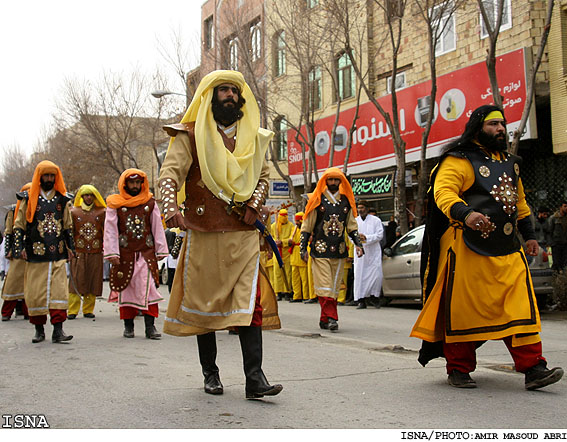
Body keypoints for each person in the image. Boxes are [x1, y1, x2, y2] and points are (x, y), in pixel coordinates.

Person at [411, 105, 563, 390]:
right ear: (478, 127)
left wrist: (529, 235)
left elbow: (519, 203)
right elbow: (443, 193)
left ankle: (534, 368)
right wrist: (465, 213)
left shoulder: (511, 163)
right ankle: (458, 368)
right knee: (465, 309)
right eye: (494, 124)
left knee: (520, 307)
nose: (500, 129)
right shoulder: (457, 160)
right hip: (466, 248)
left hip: (508, 248)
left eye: (502, 124)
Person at [157, 70, 283, 400]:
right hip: (203, 231)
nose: (229, 95)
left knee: (248, 304)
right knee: (205, 305)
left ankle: (255, 378)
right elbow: (169, 175)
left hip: (242, 235)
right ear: (210, 96)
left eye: (234, 90)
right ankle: (210, 374)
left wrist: (254, 205)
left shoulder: (254, 137)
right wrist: (172, 208)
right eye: (222, 90)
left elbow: (264, 177)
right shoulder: (189, 135)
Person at [12, 161, 75, 344]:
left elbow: (67, 226)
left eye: (51, 176)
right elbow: (19, 225)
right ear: (39, 177)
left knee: (59, 292)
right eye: (46, 176)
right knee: (36, 293)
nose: (49, 179)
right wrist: (19, 248)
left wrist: (71, 248)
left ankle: (58, 330)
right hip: (36, 254)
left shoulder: (62, 199)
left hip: (57, 253)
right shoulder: (28, 198)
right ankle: (39, 330)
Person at [103, 169, 168, 339]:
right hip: (125, 254)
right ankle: (128, 326)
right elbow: (110, 230)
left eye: (138, 183)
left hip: (146, 254)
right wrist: (112, 253)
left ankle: (150, 327)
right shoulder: (115, 204)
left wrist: (161, 249)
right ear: (125, 184)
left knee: (150, 289)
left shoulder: (150, 203)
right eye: (131, 183)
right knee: (127, 289)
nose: (134, 186)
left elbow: (157, 227)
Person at [300, 167, 364, 332]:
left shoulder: (346, 202)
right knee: (325, 284)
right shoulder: (317, 200)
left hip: (339, 250)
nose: (334, 183)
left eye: (337, 180)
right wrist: (303, 248)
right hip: (320, 250)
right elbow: (307, 225)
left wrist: (358, 244)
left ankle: (324, 319)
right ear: (325, 181)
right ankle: (332, 318)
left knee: (333, 287)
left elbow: (351, 227)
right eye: (331, 180)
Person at [68, 185, 106, 320]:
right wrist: (69, 249)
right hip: (79, 252)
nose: (88, 197)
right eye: (86, 195)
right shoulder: (73, 212)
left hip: (95, 252)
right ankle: (72, 310)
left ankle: (88, 309)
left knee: (92, 280)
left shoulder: (102, 212)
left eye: (91, 195)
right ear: (82, 196)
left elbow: (107, 232)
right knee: (76, 281)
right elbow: (70, 233)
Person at [1, 184, 31, 321]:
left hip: (34, 252)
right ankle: (7, 311)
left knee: (30, 283)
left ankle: (27, 310)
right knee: (13, 282)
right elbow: (9, 232)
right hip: (17, 252)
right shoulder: (13, 211)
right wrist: (8, 250)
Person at [353, 200, 384, 309]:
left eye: (362, 208)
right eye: (359, 208)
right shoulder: (355, 221)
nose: (360, 210)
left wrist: (366, 238)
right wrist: (357, 242)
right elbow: (350, 235)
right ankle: (361, 300)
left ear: (367, 208)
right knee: (360, 275)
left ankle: (374, 297)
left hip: (373, 252)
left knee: (376, 276)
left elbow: (380, 235)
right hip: (360, 252)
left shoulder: (376, 220)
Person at [272, 208, 293, 301]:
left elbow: (291, 239)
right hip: (276, 252)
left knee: (288, 272)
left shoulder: (291, 226)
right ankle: (278, 292)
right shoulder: (274, 226)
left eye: (286, 215)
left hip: (287, 252)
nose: (284, 217)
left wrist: (283, 242)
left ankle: (287, 291)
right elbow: (270, 237)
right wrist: (275, 242)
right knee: (277, 273)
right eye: (282, 216)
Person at [288, 211, 309, 302]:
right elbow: (290, 239)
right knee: (295, 278)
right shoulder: (294, 229)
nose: (296, 223)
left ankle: (306, 296)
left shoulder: (306, 229)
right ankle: (297, 296)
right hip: (294, 256)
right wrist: (289, 242)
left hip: (302, 254)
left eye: (298, 221)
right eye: (296, 221)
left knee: (304, 278)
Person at [548, 201, 567, 272]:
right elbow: (549, 230)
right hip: (556, 243)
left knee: (564, 262)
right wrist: (551, 242)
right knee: (556, 262)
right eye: (565, 206)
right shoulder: (554, 218)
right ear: (560, 207)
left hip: (565, 243)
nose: (566, 208)